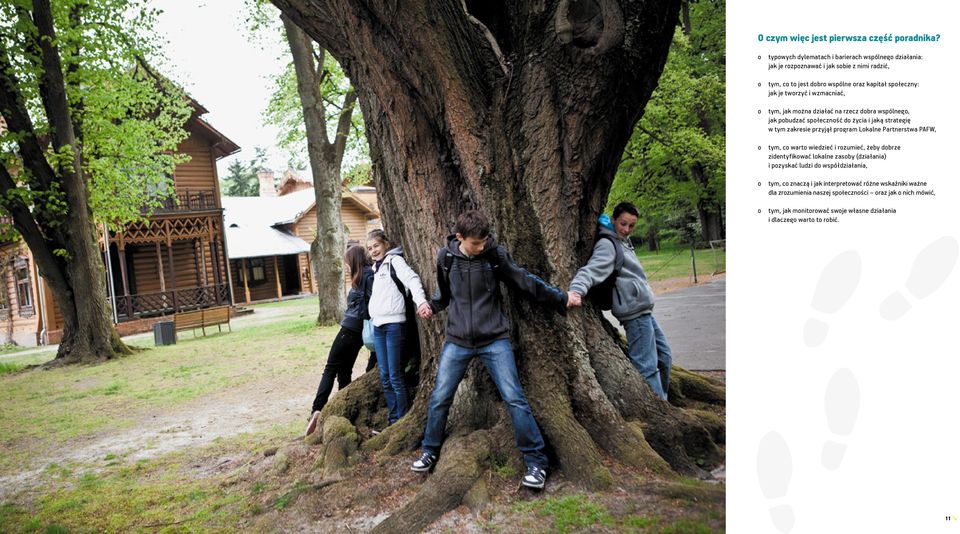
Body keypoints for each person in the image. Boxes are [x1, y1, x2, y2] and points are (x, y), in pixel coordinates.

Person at [411, 210, 567, 490]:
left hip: (494, 340)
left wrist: (560, 298)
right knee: (439, 398)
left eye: (484, 241)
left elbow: (524, 280)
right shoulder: (445, 258)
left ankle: (536, 463)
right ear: (460, 238)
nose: (481, 247)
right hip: (457, 341)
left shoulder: (494, 256)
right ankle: (430, 451)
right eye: (475, 243)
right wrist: (431, 306)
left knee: (515, 398)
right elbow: (444, 296)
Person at [567, 202, 673, 401]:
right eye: (623, 224)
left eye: (631, 226)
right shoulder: (608, 244)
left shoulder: (623, 240)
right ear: (613, 220)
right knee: (647, 367)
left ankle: (663, 400)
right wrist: (576, 291)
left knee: (664, 356)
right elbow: (591, 270)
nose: (626, 229)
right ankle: (660, 407)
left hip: (644, 311)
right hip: (634, 315)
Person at [305, 245, 377, 437]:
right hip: (356, 330)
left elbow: (373, 304)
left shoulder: (367, 276)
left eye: (347, 263)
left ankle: (317, 409)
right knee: (344, 371)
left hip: (350, 330)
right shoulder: (365, 275)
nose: (346, 267)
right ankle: (345, 408)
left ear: (354, 261)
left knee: (331, 368)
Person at [367, 229, 432, 426]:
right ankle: (393, 419)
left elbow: (412, 280)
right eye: (370, 248)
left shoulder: (394, 262)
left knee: (395, 375)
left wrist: (421, 302)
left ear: (385, 244)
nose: (373, 250)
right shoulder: (375, 269)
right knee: (384, 376)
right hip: (378, 327)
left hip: (394, 326)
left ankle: (402, 419)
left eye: (376, 246)